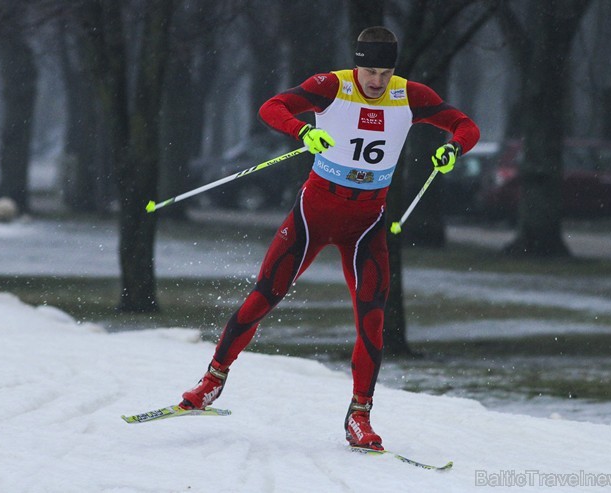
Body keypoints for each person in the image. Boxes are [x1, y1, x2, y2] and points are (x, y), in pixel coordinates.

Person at [180, 26, 480, 451]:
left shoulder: (409, 95)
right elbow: (273, 107)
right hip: (314, 215)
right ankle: (212, 380)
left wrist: (454, 149)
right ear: (357, 64)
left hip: (367, 224)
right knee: (264, 295)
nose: (376, 81)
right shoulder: (330, 86)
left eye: (385, 72)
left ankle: (359, 415)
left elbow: (464, 125)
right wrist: (302, 132)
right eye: (369, 70)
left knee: (372, 320)